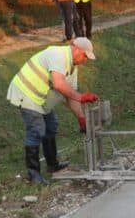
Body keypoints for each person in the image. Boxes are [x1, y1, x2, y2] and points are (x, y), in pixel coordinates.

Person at [7, 37, 99, 184]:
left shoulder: (72, 68)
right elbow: (59, 85)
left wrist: (81, 119)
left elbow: (70, 96)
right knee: (36, 130)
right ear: (76, 49)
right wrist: (81, 97)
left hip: (41, 97)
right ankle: (33, 173)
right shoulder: (58, 55)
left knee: (51, 125)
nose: (85, 60)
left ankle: (53, 165)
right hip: (25, 92)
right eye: (84, 56)